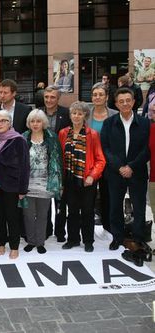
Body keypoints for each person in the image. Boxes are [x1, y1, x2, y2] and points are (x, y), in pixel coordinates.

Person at [101, 88, 150, 250]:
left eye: (128, 100)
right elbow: (105, 148)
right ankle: (117, 237)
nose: (125, 104)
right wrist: (120, 166)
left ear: (134, 102)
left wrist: (131, 166)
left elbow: (147, 149)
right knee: (115, 206)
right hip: (116, 173)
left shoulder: (144, 123)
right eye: (121, 101)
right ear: (116, 104)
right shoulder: (109, 123)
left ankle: (139, 237)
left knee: (139, 206)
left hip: (137, 172)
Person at [59, 101, 105, 252]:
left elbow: (100, 159)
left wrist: (92, 176)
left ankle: (88, 241)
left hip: (87, 180)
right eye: (74, 113)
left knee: (87, 212)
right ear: (70, 115)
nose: (76, 116)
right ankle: (72, 239)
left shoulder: (93, 134)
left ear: (85, 115)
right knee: (72, 211)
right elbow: (60, 158)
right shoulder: (63, 133)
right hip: (70, 179)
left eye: (80, 113)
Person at [0, 110, 29, 259]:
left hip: (12, 185)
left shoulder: (18, 140)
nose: (0, 124)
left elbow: (25, 166)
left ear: (10, 123)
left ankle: (14, 246)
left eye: (3, 120)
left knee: (12, 217)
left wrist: (23, 188)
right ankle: (0, 243)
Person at [21, 109, 62, 254]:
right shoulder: (23, 137)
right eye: (32, 121)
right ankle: (31, 241)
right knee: (28, 215)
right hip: (27, 184)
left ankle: (40, 242)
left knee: (43, 215)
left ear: (43, 122)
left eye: (38, 121)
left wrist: (57, 183)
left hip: (46, 183)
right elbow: (19, 163)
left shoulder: (51, 137)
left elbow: (57, 161)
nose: (35, 124)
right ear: (29, 123)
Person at [87, 83, 118, 232]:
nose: (97, 97)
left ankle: (108, 227)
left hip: (109, 162)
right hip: (90, 163)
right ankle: (87, 230)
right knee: (89, 197)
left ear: (106, 97)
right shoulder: (86, 114)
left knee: (108, 196)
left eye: (100, 94)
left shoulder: (114, 115)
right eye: (95, 94)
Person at [42, 85, 71, 241]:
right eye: (46, 97)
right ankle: (46, 230)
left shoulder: (66, 114)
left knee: (60, 200)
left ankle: (60, 232)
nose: (49, 100)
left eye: (52, 97)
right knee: (45, 199)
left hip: (61, 164)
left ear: (58, 98)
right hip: (42, 164)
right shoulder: (38, 113)